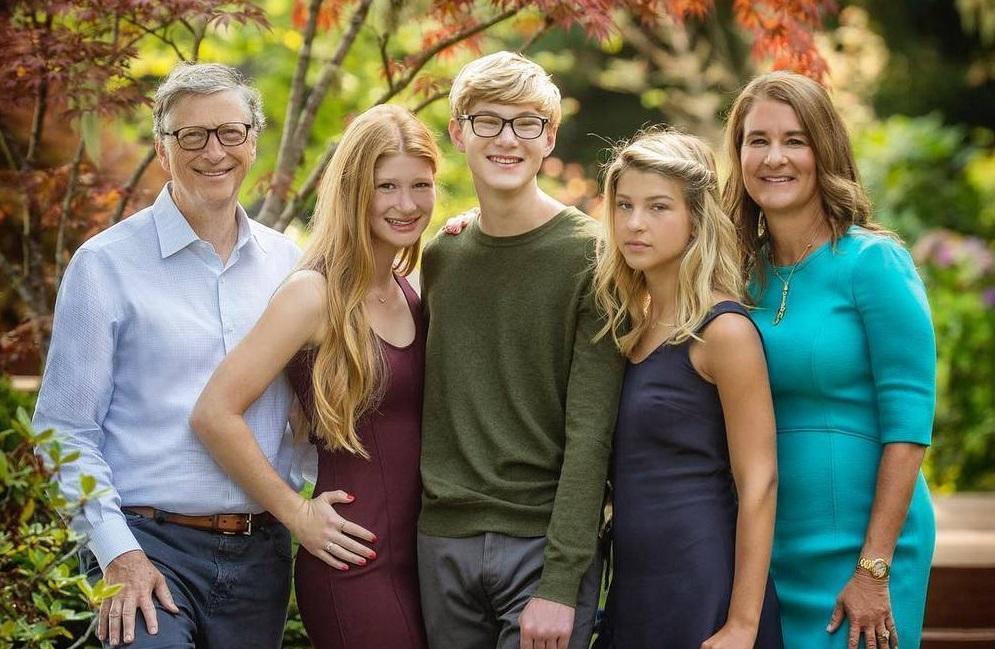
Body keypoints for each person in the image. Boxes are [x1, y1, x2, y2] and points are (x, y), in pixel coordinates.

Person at [32, 62, 310, 648]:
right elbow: (62, 430)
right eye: (192, 135)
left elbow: (316, 409)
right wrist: (117, 553)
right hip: (147, 544)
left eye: (230, 132)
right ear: (163, 148)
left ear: (253, 141)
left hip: (259, 554)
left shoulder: (290, 267)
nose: (215, 151)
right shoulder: (105, 265)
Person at [191, 103, 439, 649]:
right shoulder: (313, 294)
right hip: (354, 564)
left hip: (428, 565)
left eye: (420, 185)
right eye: (387, 187)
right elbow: (214, 413)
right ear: (354, 191)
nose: (407, 204)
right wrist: (296, 513)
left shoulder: (412, 290)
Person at [416, 50, 625, 649]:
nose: (507, 139)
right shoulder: (443, 255)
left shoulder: (593, 257)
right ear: (458, 132)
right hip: (444, 542)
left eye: (526, 123)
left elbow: (591, 435)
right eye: (488, 121)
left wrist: (562, 582)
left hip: (543, 546)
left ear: (549, 137)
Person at [722, 71, 936, 649]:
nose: (773, 157)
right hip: (768, 548)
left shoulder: (874, 262)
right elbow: (644, 248)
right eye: (756, 140)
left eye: (795, 140)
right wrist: (481, 224)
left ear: (826, 149)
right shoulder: (736, 274)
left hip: (865, 554)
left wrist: (874, 568)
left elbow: (910, 424)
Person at [590, 129, 782, 649]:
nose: (634, 223)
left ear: (696, 217)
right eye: (624, 205)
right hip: (634, 587)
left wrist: (742, 624)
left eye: (658, 207)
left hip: (704, 586)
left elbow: (759, 482)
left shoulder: (724, 331)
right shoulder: (627, 329)